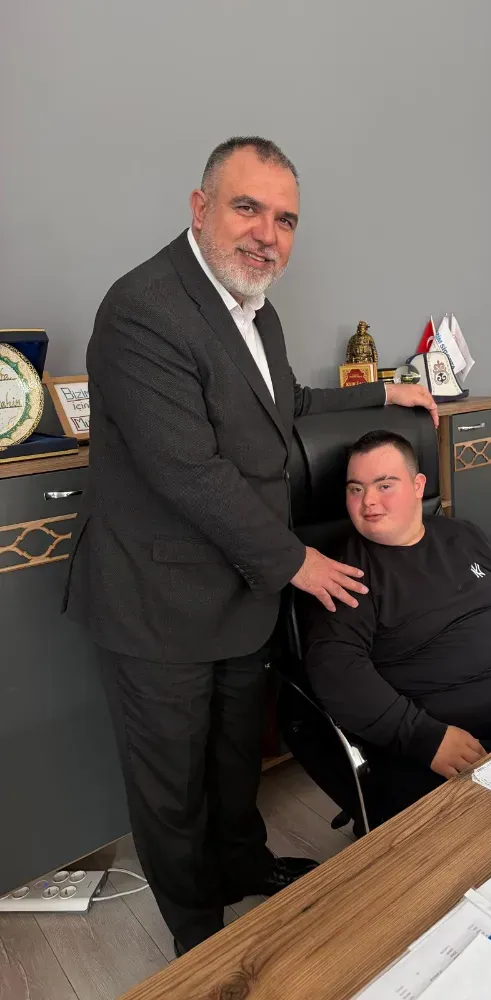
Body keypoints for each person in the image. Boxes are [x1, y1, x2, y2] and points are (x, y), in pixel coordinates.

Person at [64, 137, 436, 955]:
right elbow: (188, 471)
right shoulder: (142, 309)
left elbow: (285, 401)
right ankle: (200, 940)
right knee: (172, 783)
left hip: (239, 591)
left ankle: (242, 866)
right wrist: (298, 561)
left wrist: (386, 390)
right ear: (200, 209)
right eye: (247, 208)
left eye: (286, 219)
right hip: (156, 600)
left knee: (235, 758)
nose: (268, 234)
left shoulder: (255, 310)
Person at [304, 430, 491, 824]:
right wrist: (424, 737)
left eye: (384, 485)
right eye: (355, 489)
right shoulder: (344, 573)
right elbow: (337, 670)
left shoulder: (463, 536)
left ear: (418, 486)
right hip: (452, 747)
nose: (368, 501)